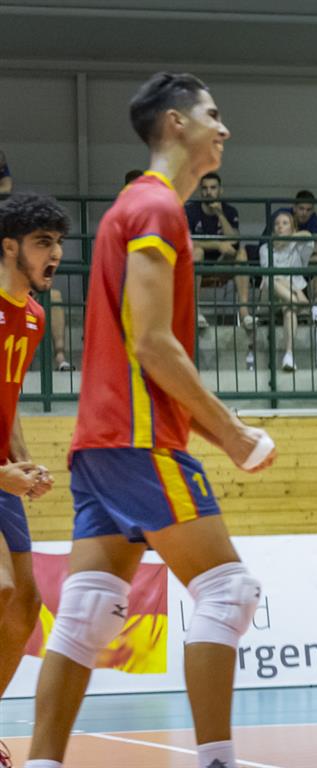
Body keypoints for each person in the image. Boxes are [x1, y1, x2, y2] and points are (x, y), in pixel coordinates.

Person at [23, 71, 277, 768]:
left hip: (100, 442)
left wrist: (214, 429)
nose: (224, 128)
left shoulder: (132, 206)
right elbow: (153, 344)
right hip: (135, 439)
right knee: (228, 590)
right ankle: (217, 760)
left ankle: (42, 762)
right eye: (212, 114)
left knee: (86, 611)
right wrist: (233, 433)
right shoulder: (157, 207)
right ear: (175, 122)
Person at [0, 194, 64, 764]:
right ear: (9, 247)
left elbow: (9, 396)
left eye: (58, 243)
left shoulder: (35, 318)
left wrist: (22, 461)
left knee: (25, 606)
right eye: (43, 242)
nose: (56, 254)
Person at [184, 172, 253, 337]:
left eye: (213, 188)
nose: (209, 192)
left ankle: (244, 312)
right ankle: (195, 309)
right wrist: (216, 244)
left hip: (221, 264)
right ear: (200, 191)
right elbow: (185, 242)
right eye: (205, 188)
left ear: (220, 190)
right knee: (197, 252)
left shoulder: (229, 211)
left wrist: (220, 214)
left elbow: (234, 240)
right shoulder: (190, 210)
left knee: (241, 253)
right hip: (198, 265)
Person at [262, 210, 317, 372]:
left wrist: (290, 239)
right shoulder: (265, 248)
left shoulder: (298, 247)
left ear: (292, 229)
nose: (280, 226)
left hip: (291, 298)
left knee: (289, 308)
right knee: (272, 278)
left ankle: (289, 355)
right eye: (277, 224)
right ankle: (309, 307)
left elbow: (308, 236)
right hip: (271, 296)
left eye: (285, 223)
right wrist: (295, 290)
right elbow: (269, 275)